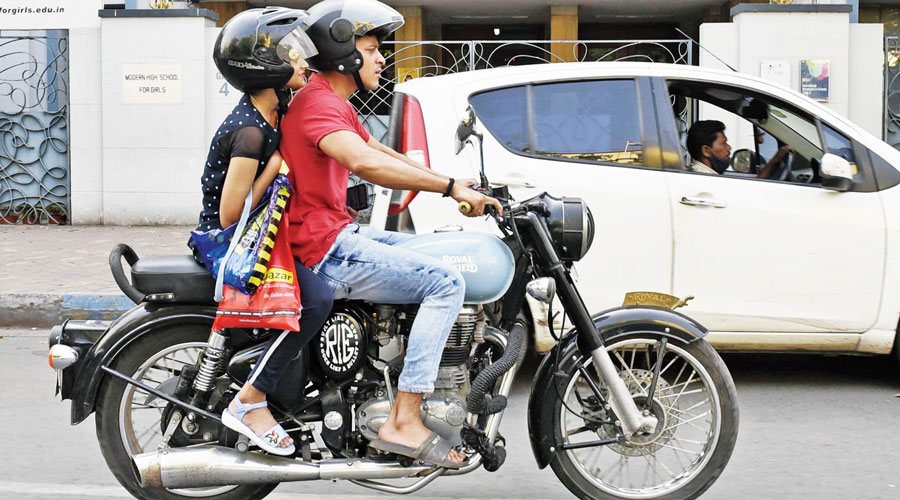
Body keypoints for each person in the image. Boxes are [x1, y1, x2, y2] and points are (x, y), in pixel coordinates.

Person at [280, 0, 502, 469]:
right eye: (373, 48)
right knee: (445, 283)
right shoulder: (318, 103)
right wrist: (445, 186)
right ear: (344, 53)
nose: (382, 58)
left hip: (335, 231)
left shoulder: (331, 101)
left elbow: (379, 149)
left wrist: (453, 183)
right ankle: (403, 417)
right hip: (324, 246)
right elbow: (364, 163)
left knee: (433, 253)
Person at [192, 7, 333, 456]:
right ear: (264, 65)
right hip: (229, 244)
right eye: (292, 56)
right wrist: (278, 164)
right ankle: (252, 400)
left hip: (263, 233)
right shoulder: (250, 132)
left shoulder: (273, 112)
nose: (304, 63)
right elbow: (231, 214)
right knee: (316, 301)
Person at [686, 120, 790, 178]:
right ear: (706, 150)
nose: (729, 147)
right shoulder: (704, 178)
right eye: (723, 143)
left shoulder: (706, 174)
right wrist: (773, 162)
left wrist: (772, 163)